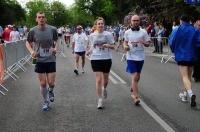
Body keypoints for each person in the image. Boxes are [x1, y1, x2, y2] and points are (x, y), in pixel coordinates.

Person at [26, 11, 59, 111]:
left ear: (45, 19)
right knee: (43, 83)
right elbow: (27, 42)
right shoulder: (33, 31)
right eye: (39, 17)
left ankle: (51, 91)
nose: (41, 19)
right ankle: (46, 101)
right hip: (39, 60)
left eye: (43, 17)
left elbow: (57, 40)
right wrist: (32, 51)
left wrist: (56, 48)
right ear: (36, 19)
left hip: (50, 59)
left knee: (51, 83)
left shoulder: (52, 29)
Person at [86, 17, 115, 109]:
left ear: (104, 25)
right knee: (98, 79)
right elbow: (93, 46)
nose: (100, 25)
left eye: (102, 23)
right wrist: (89, 51)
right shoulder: (92, 35)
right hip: (95, 58)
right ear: (95, 25)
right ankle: (100, 100)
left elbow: (113, 46)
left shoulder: (109, 34)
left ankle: (104, 88)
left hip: (106, 58)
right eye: (99, 24)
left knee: (105, 81)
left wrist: (108, 45)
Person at [170, 14, 197, 107]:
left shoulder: (177, 29)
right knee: (189, 76)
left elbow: (171, 42)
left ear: (181, 21)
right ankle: (185, 95)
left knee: (185, 77)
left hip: (181, 55)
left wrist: (174, 50)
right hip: (192, 55)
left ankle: (190, 94)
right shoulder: (195, 30)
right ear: (189, 21)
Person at [123, 15, 151, 105]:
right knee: (134, 76)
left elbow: (148, 43)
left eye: (137, 20)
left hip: (140, 57)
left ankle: (133, 86)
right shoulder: (127, 32)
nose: (135, 22)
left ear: (139, 22)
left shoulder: (143, 32)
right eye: (134, 20)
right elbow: (125, 42)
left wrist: (143, 42)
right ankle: (136, 97)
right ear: (130, 21)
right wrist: (125, 46)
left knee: (138, 76)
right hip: (130, 57)